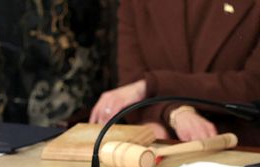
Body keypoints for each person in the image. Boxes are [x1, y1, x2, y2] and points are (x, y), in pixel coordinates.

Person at [89, 0, 260, 145]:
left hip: (241, 147)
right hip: (164, 146)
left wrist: (153, 84)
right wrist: (174, 113)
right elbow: (129, 90)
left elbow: (253, 86)